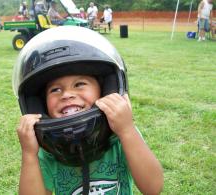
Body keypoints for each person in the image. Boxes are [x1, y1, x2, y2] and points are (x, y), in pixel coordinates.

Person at [13, 26, 164, 195]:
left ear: (105, 91)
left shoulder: (120, 137)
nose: (67, 95)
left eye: (79, 84)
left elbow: (153, 188)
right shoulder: (48, 152)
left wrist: (127, 131)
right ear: (40, 104)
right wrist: (29, 155)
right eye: (55, 90)